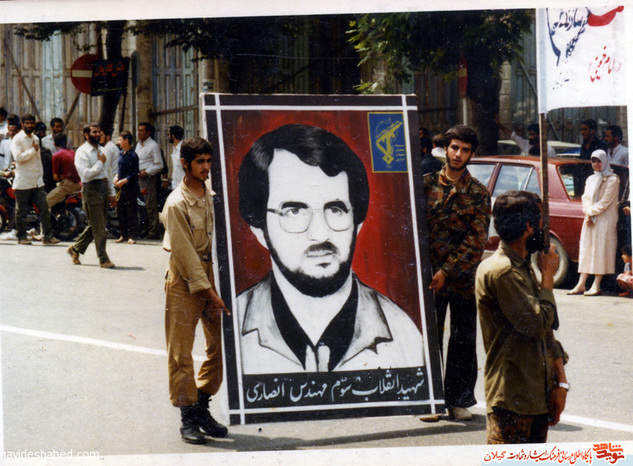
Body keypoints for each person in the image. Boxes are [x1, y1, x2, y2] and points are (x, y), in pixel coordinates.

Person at [237, 124, 424, 374]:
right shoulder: (232, 328)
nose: (320, 233)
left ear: (357, 223)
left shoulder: (405, 336)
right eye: (294, 211)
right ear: (259, 229)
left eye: (335, 210)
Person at [476, 190, 568, 444]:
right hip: (512, 400)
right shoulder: (503, 271)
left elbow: (547, 333)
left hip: (535, 395)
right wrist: (548, 277)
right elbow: (537, 324)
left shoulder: (522, 266)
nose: (543, 230)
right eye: (540, 222)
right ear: (529, 226)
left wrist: (561, 382)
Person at [161, 136, 229, 445]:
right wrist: (211, 293)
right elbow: (186, 255)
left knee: (221, 346)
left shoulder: (212, 196)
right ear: (184, 164)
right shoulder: (176, 203)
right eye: (200, 162)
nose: (206, 167)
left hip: (211, 275)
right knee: (181, 352)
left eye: (208, 161)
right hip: (184, 281)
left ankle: (202, 405)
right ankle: (187, 417)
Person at [424, 124, 490, 421]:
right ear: (446, 148)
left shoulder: (478, 193)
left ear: (471, 154)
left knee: (463, 340)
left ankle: (458, 400)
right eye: (454, 148)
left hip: (462, 278)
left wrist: (447, 270)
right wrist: (431, 271)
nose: (458, 154)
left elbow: (476, 241)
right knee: (430, 338)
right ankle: (431, 401)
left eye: (465, 150)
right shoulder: (424, 185)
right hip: (428, 277)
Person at [568, 150, 620, 296]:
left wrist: (590, 213)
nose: (596, 164)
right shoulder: (591, 179)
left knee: (600, 250)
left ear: (605, 161)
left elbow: (605, 202)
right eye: (593, 161)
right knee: (587, 248)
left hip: (604, 219)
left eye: (599, 161)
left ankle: (596, 284)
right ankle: (581, 283)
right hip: (590, 218)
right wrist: (588, 213)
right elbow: (585, 198)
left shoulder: (613, 179)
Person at [67, 123, 115, 268]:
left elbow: (108, 172)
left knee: (96, 224)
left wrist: (112, 193)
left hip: (103, 187)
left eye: (99, 132)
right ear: (86, 135)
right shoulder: (82, 152)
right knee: (100, 227)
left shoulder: (102, 150)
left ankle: (75, 249)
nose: (97, 134)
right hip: (91, 189)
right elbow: (86, 175)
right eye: (94, 132)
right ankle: (103, 259)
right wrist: (100, 162)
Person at [10, 114, 60, 245]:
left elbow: (38, 161)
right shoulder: (17, 139)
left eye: (32, 123)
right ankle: (22, 237)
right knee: (21, 211)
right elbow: (18, 158)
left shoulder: (36, 138)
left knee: (44, 208)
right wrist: (32, 150)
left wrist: (41, 176)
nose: (30, 125)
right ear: (22, 124)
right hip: (23, 180)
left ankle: (47, 236)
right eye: (27, 123)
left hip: (37, 180)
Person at [136, 122, 163, 239]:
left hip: (149, 179)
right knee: (142, 205)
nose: (139, 133)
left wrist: (147, 172)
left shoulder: (153, 146)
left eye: (142, 130)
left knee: (150, 204)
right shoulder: (138, 145)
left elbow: (159, 165)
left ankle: (154, 231)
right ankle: (145, 229)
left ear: (148, 132)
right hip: (139, 178)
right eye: (138, 130)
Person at [113, 131, 139, 244]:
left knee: (131, 211)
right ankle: (123, 234)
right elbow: (119, 168)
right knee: (121, 210)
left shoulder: (133, 155)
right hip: (121, 187)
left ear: (126, 140)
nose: (119, 142)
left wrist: (124, 181)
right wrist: (116, 177)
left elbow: (135, 173)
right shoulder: (121, 153)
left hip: (130, 186)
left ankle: (132, 236)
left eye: (120, 140)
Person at [46, 133, 81, 209]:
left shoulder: (56, 155)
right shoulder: (72, 152)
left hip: (67, 185)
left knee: (45, 203)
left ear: (54, 144)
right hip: (78, 184)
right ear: (66, 143)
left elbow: (55, 177)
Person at [34, 121, 56, 193]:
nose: (42, 134)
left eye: (43, 132)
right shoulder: (32, 142)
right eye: (39, 132)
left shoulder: (46, 143)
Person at [100, 126, 120, 200]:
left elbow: (106, 167)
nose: (99, 137)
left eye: (102, 135)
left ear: (108, 137)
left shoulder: (108, 148)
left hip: (112, 181)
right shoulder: (110, 146)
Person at [167, 125, 185, 190]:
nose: (168, 137)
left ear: (173, 136)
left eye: (168, 134)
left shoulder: (183, 149)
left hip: (183, 186)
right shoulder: (175, 148)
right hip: (176, 186)